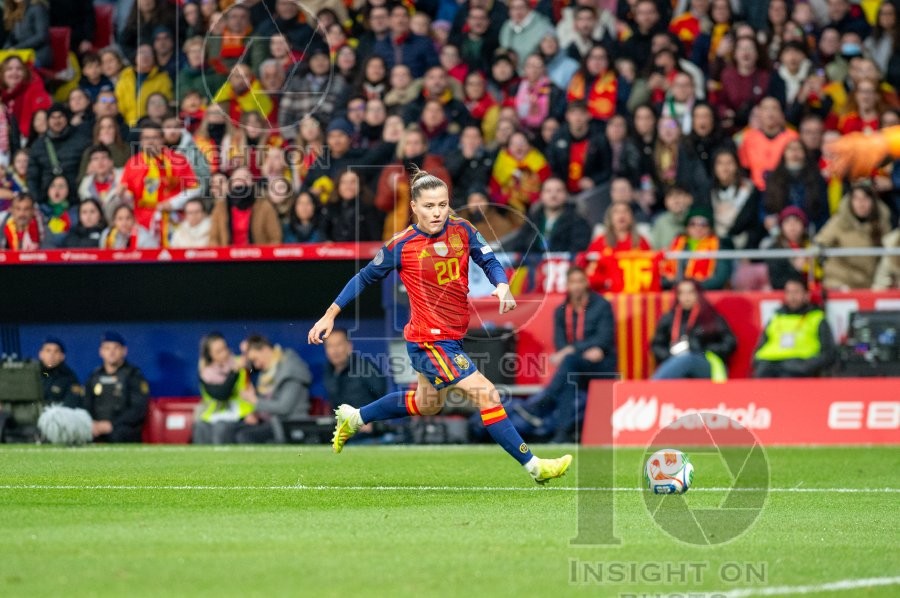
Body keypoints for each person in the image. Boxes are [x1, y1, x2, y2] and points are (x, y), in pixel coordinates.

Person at [307, 169, 572, 484]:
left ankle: (356, 416)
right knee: (487, 395)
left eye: (443, 205)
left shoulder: (463, 230)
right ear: (415, 208)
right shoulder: (401, 245)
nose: (437, 212)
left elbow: (488, 260)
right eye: (429, 206)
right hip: (428, 341)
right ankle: (535, 466)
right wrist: (330, 313)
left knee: (427, 404)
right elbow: (364, 276)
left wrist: (501, 285)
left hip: (451, 339)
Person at [514, 266, 616, 443]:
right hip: (576, 365)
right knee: (569, 374)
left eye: (580, 281)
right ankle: (562, 434)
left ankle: (542, 403)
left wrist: (574, 350)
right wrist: (579, 351)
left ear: (586, 283)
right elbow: (560, 343)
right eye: (572, 282)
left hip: (601, 364)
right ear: (567, 285)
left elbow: (604, 338)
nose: (576, 286)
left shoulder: (601, 305)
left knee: (569, 362)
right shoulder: (561, 311)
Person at [651, 279, 737, 380]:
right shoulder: (669, 319)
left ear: (698, 294)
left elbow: (730, 343)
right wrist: (670, 354)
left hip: (706, 361)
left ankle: (653, 388)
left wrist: (703, 349)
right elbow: (657, 345)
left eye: (690, 292)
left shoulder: (710, 317)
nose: (686, 297)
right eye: (682, 293)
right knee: (681, 363)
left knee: (688, 359)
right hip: (675, 361)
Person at [752, 276, 837, 378]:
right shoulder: (776, 318)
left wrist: (807, 366)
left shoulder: (816, 318)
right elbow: (760, 347)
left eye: (796, 292)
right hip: (770, 364)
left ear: (806, 295)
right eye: (789, 292)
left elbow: (828, 353)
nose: (792, 296)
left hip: (799, 366)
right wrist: (758, 361)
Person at [234, 335, 312, 444]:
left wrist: (255, 401)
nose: (256, 365)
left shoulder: (290, 370)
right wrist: (255, 413)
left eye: (255, 359)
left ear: (265, 349)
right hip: (272, 423)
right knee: (233, 431)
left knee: (244, 436)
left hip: (289, 425)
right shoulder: (267, 373)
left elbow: (283, 408)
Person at [814, 184, 892, 290]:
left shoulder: (882, 223)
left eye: (865, 198)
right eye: (856, 198)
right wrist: (819, 250)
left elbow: (890, 249)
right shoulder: (839, 222)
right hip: (840, 282)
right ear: (850, 201)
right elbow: (821, 241)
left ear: (873, 202)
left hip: (871, 282)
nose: (861, 203)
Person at [82, 332, 150, 443]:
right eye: (107, 348)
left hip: (123, 428)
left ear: (124, 350)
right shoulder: (94, 376)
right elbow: (86, 404)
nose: (111, 352)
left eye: (116, 348)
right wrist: (93, 424)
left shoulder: (133, 375)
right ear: (101, 352)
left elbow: (138, 409)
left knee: (119, 434)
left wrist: (111, 424)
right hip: (96, 427)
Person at [581, 202, 658, 294]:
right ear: (610, 217)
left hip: (636, 294)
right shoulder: (599, 242)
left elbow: (651, 268)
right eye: (616, 212)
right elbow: (590, 272)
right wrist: (606, 281)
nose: (621, 215)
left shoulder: (641, 242)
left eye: (625, 211)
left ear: (631, 217)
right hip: (608, 295)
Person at [192, 333, 254, 445]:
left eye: (224, 348)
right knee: (200, 427)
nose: (224, 353)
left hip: (241, 415)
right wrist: (234, 372)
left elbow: (256, 365)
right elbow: (221, 393)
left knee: (221, 428)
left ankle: (223, 462)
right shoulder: (206, 373)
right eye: (218, 351)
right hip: (214, 414)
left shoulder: (239, 361)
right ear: (210, 355)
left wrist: (249, 351)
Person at [504, 177, 592, 255]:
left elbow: (578, 249)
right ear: (541, 195)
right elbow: (519, 246)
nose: (553, 195)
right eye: (548, 191)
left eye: (559, 190)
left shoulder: (577, 219)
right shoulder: (533, 219)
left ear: (566, 195)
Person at [661, 205, 734, 290]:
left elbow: (720, 278)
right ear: (686, 227)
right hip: (676, 291)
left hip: (706, 292)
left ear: (710, 228)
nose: (698, 228)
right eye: (693, 224)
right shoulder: (676, 244)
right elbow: (663, 275)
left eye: (704, 224)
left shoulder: (720, 245)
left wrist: (692, 288)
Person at [209, 167, 282, 246]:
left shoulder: (264, 206)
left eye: (245, 178)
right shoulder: (220, 208)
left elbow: (275, 238)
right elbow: (213, 238)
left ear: (252, 183)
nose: (241, 182)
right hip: (228, 256)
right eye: (237, 179)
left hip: (258, 256)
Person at [323, 328, 387, 411]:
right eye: (330, 346)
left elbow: (383, 397)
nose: (335, 350)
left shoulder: (365, 368)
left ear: (349, 346)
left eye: (339, 344)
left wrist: (370, 417)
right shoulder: (328, 371)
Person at [38, 337, 82, 407]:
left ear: (62, 356)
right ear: (41, 354)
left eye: (56, 351)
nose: (51, 355)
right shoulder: (31, 375)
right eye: (48, 351)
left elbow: (72, 404)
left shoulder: (70, 377)